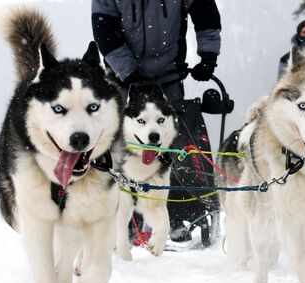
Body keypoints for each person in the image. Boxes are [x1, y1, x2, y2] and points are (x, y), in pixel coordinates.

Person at [91, 0, 222, 244]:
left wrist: (208, 55)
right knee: (115, 144)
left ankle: (171, 214)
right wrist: (126, 68)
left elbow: (205, 15)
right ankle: (118, 216)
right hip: (122, 78)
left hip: (168, 74)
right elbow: (104, 28)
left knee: (171, 148)